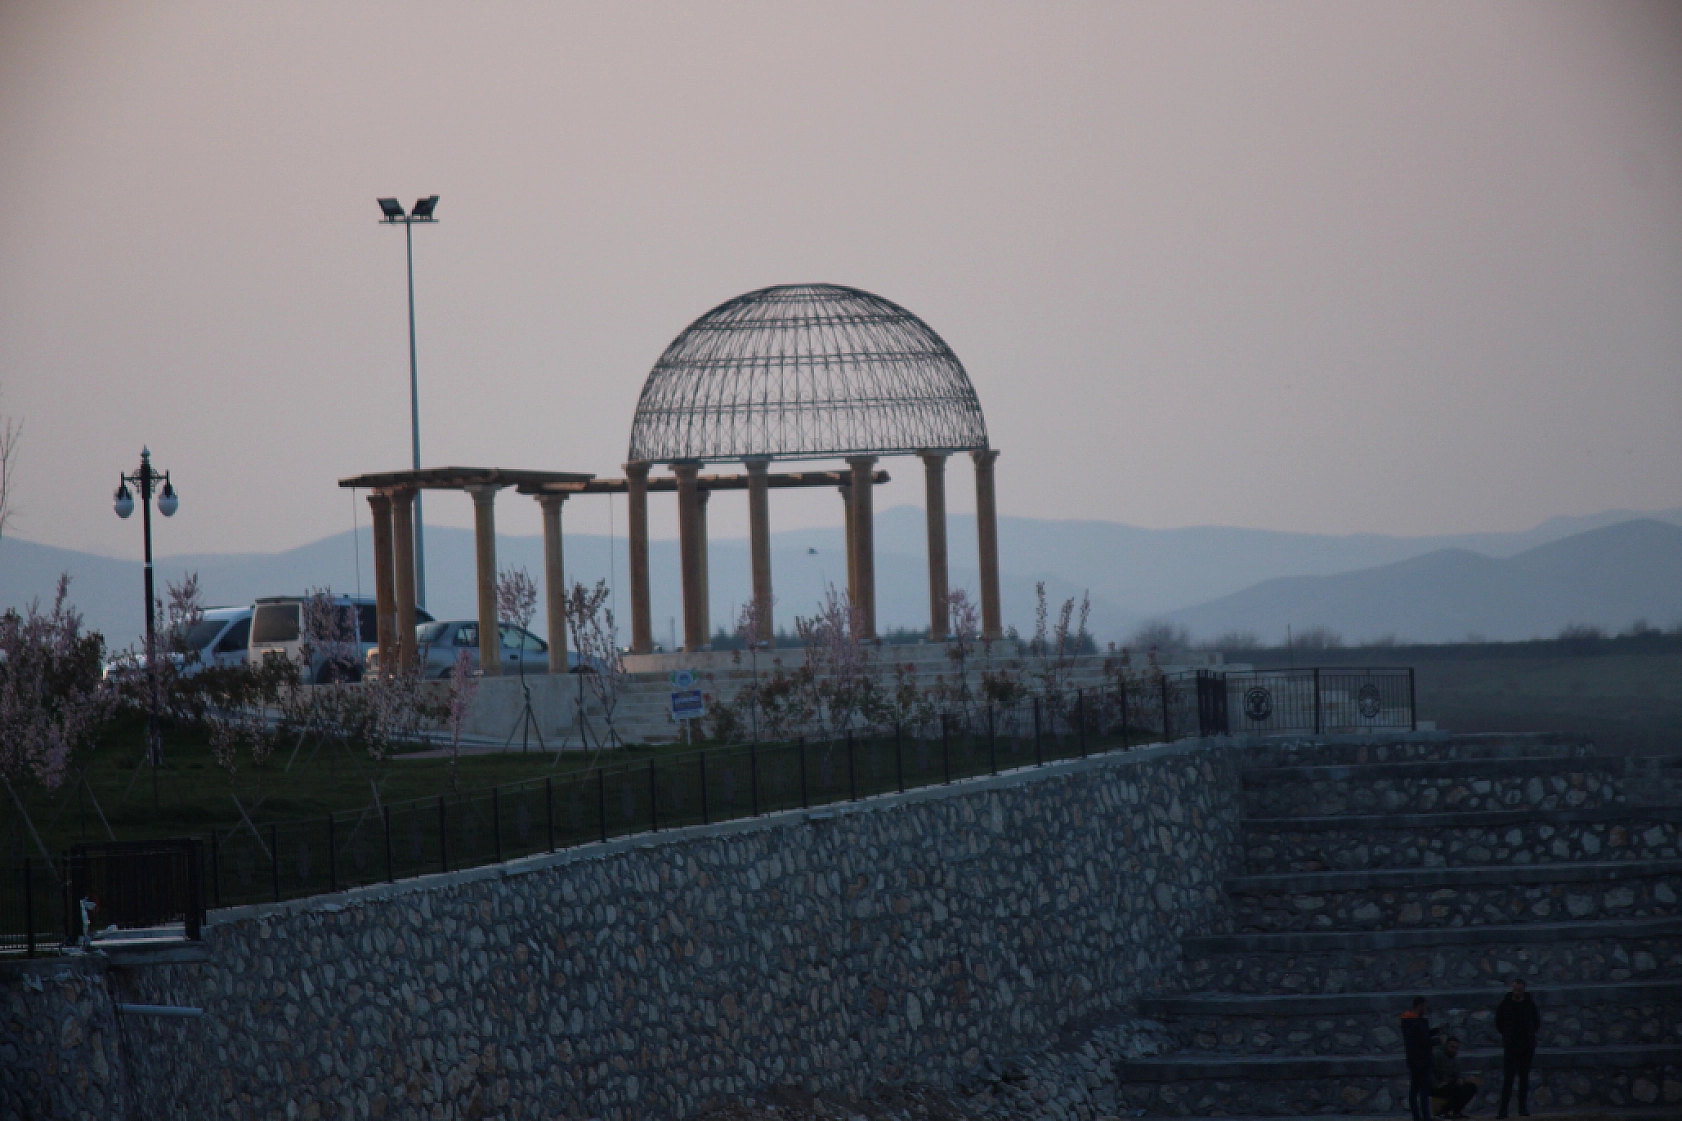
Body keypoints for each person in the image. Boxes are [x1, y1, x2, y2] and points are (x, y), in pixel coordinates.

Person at [1495, 977, 1541, 1117]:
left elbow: (1536, 1022)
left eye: (1519, 990)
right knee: (1509, 1078)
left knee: (1524, 1078)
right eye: (1515, 989)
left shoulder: (1529, 1004)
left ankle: (1522, 1108)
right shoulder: (1505, 1004)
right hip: (1511, 1046)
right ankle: (1503, 1110)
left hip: (1526, 1046)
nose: (1517, 992)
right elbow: (1499, 1023)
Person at [1401, 996, 1440, 1121]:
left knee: (1414, 1091)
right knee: (1423, 1091)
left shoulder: (1407, 1021)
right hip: (1423, 1060)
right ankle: (1426, 1117)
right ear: (1420, 1006)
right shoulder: (1418, 1022)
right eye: (1425, 1006)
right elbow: (1424, 1041)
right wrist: (1438, 1040)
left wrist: (1434, 1031)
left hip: (1413, 1060)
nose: (1426, 1009)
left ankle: (1417, 1117)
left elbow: (1419, 1037)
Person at [1432, 1035, 1480, 1119]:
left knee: (1471, 1087)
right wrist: (1438, 1083)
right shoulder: (1438, 1055)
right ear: (1446, 1046)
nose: (1454, 1050)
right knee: (1455, 1089)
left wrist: (1461, 1079)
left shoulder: (1455, 1059)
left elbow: (1457, 1074)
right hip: (1437, 1086)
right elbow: (1431, 1071)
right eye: (1452, 1047)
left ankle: (1456, 1112)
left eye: (1456, 1048)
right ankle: (1442, 1112)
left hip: (1451, 1085)